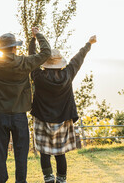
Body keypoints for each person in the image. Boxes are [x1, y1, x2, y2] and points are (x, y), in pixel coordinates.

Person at [0, 26, 51, 183]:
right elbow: (46, 53)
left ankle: (1, 180)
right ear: (15, 47)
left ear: (1, 49)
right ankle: (20, 181)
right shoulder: (25, 62)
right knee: (21, 153)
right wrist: (38, 35)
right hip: (19, 115)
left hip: (0, 115)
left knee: (0, 153)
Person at [29, 35, 97, 183]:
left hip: (42, 118)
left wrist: (33, 40)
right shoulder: (68, 73)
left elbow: (32, 58)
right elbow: (79, 58)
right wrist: (88, 43)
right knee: (60, 153)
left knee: (44, 152)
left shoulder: (38, 76)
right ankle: (61, 179)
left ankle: (48, 178)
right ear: (60, 63)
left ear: (45, 63)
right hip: (63, 119)